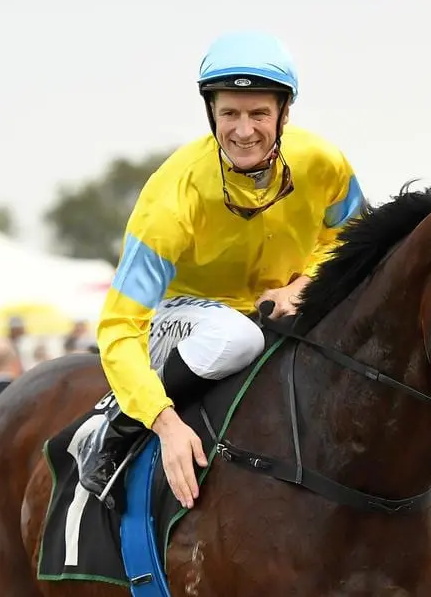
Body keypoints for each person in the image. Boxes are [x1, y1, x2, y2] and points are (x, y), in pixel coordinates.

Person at [77, 31, 365, 510]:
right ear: (211, 113)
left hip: (277, 306)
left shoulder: (324, 163)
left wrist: (304, 282)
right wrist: (163, 421)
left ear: (284, 114)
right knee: (238, 337)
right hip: (183, 318)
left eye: (258, 114)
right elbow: (119, 326)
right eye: (230, 113)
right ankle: (115, 426)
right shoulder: (173, 195)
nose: (244, 130)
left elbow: (354, 241)